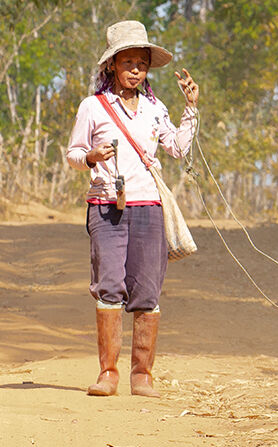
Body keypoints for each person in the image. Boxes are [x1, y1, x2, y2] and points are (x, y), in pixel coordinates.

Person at [66, 20, 200, 397]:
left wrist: (191, 109)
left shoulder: (156, 109)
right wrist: (90, 156)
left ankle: (142, 375)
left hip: (149, 208)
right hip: (106, 206)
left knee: (147, 290)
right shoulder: (92, 107)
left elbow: (177, 148)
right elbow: (73, 154)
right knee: (109, 285)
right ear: (111, 65)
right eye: (128, 62)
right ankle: (108, 374)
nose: (136, 70)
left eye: (142, 63)